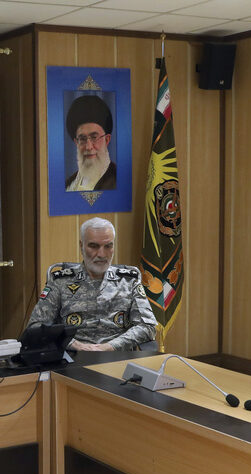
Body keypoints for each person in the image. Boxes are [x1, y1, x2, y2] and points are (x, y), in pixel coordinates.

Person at [28, 217, 157, 351]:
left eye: (108, 246)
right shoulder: (60, 281)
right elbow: (36, 326)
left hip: (117, 356)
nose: (101, 254)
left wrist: (111, 346)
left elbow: (147, 327)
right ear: (81, 246)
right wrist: (75, 345)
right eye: (94, 246)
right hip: (73, 356)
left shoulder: (129, 281)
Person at [65, 95, 116, 192]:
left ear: (107, 140)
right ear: (76, 143)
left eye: (94, 137)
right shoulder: (69, 185)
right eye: (82, 139)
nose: (88, 147)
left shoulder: (117, 180)